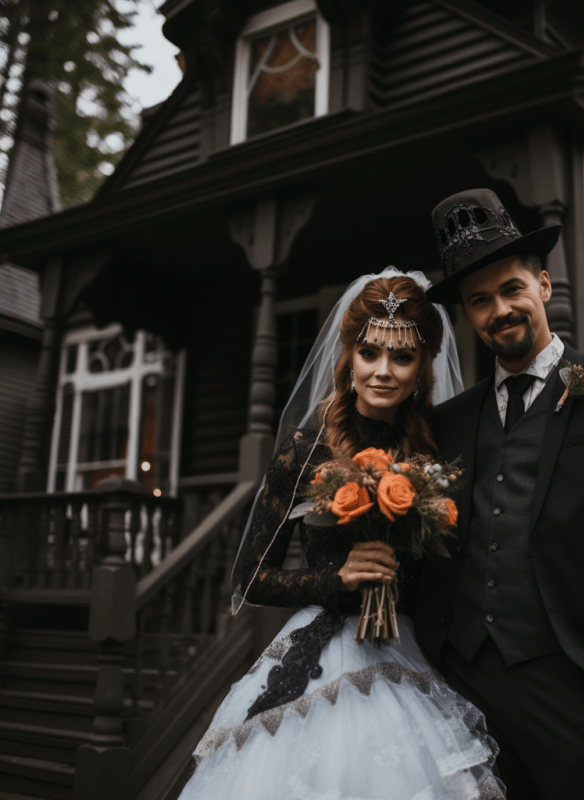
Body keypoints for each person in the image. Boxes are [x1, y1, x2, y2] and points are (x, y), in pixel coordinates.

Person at [179, 267, 506, 800]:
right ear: (349, 356)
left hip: (407, 652)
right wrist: (339, 578)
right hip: (325, 655)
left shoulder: (431, 452)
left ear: (423, 365)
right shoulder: (306, 448)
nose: (383, 371)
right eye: (369, 353)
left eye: (402, 357)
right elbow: (251, 579)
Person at [414, 188, 584, 800]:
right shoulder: (449, 422)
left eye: (511, 289)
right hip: (458, 685)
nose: (500, 310)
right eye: (479, 300)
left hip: (573, 689)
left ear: (542, 284)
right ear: (466, 314)